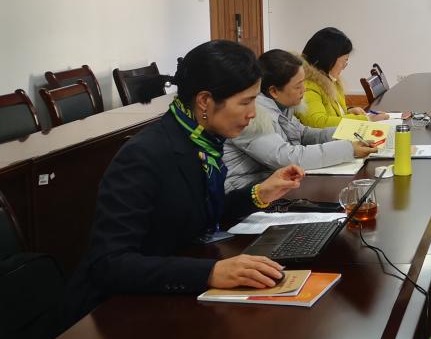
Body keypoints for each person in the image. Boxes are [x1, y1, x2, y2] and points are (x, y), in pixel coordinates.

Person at [64, 41, 304, 323]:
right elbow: (110, 264)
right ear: (204, 101)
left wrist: (259, 194)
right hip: (117, 313)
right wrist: (210, 273)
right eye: (245, 102)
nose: (253, 113)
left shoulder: (202, 141)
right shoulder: (143, 156)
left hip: (169, 294)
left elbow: (199, 214)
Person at [224, 49, 376, 191]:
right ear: (274, 91)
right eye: (298, 86)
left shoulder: (282, 106)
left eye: (303, 82)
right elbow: (286, 157)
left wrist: (350, 132)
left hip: (271, 183)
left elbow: (303, 134)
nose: (304, 89)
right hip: (245, 192)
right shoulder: (253, 116)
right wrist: (348, 149)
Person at [297, 27, 392, 128]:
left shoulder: (329, 79)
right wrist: (367, 120)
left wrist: (348, 111)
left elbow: (332, 113)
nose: (344, 66)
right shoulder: (307, 86)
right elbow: (318, 123)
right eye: (344, 60)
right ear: (329, 59)